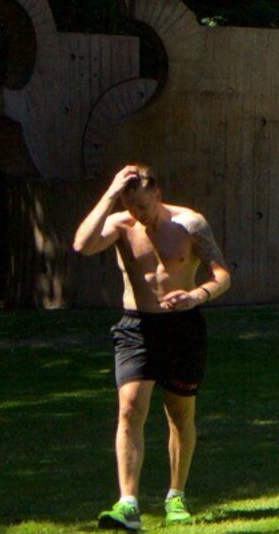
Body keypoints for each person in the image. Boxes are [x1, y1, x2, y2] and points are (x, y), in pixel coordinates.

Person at [76, 161, 232, 529]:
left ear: (158, 195)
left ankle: (176, 496)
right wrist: (110, 194)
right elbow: (81, 245)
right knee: (129, 409)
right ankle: (128, 503)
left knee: (180, 415)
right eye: (129, 207)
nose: (137, 214)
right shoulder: (120, 224)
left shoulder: (190, 223)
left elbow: (223, 275)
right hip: (136, 328)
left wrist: (196, 295)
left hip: (183, 328)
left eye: (143, 206)